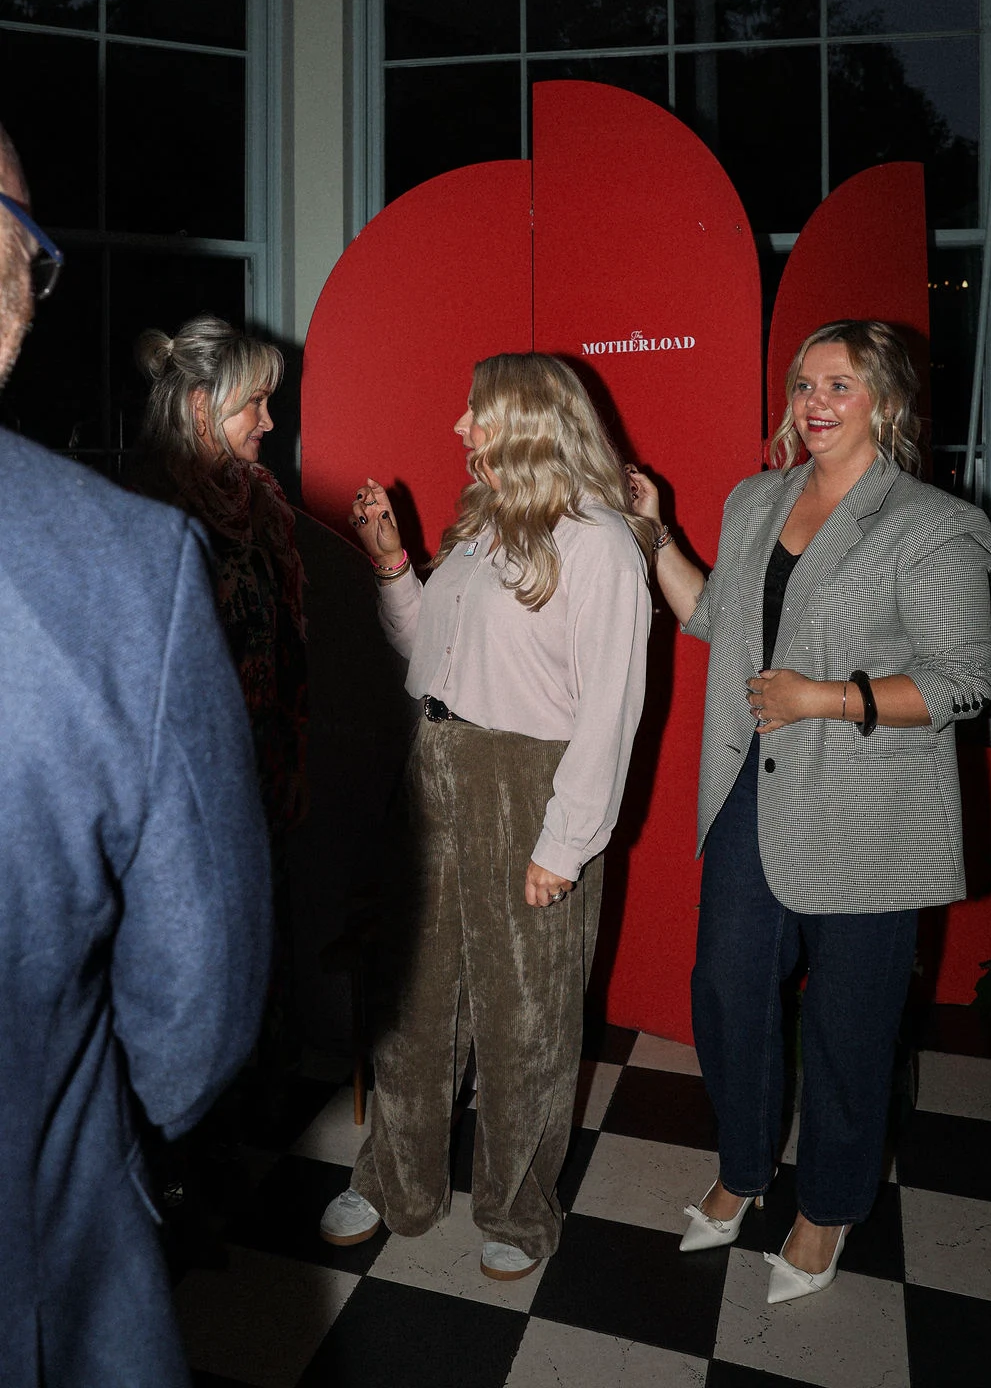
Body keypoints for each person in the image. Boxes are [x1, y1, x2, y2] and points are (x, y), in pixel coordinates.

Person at [628, 319, 991, 1303]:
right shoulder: (756, 500)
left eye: (839, 384)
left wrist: (823, 698)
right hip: (753, 784)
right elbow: (714, 617)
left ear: (887, 400)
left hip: (870, 807)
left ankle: (827, 1206)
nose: (814, 402)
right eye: (803, 383)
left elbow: (962, 679)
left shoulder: (931, 523)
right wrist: (655, 532)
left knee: (848, 1019)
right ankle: (745, 1167)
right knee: (726, 988)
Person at [0, 126, 272, 1386]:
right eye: (257, 403)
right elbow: (190, 1002)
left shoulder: (249, 509)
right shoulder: (138, 540)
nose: (271, 425)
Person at [319, 352, 652, 1279]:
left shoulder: (600, 544)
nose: (461, 427)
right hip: (434, 766)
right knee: (413, 997)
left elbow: (611, 710)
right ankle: (397, 1182)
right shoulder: (480, 527)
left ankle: (517, 1209)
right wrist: (392, 564)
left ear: (532, 422)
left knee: (526, 1012)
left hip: (528, 782)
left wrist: (565, 844)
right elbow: (426, 656)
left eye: (478, 411)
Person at [133, 315, 307, 846]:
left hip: (263, 771)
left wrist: (292, 756)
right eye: (255, 402)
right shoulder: (147, 515)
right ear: (201, 407)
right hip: (181, 783)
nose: (269, 421)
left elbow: (288, 642)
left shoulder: (262, 499)